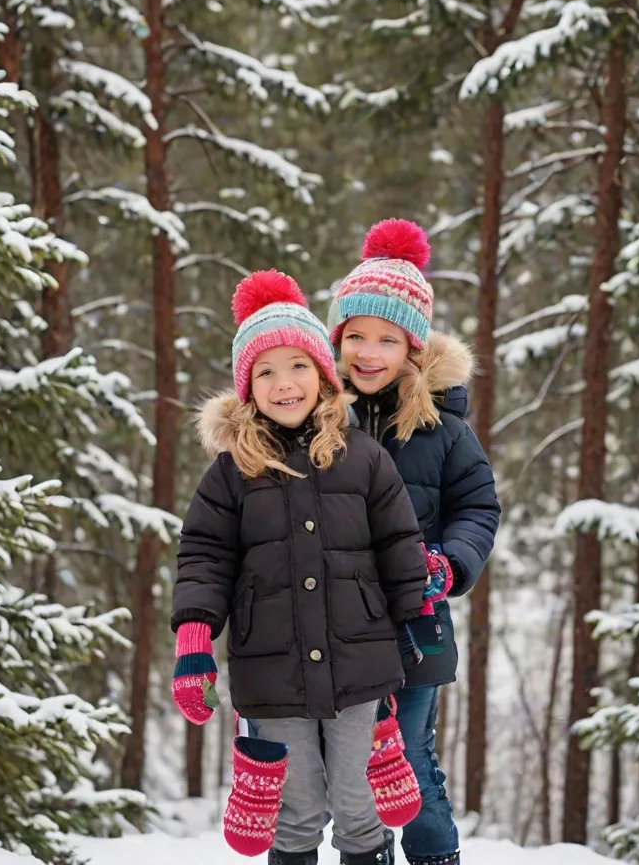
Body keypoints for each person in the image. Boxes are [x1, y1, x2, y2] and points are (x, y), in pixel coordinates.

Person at [170, 269, 428, 865]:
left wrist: (415, 618)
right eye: (266, 371)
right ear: (247, 386)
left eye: (298, 367)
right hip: (272, 672)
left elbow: (399, 542)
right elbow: (204, 557)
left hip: (360, 665)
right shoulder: (231, 472)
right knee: (296, 810)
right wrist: (194, 642)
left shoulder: (363, 458)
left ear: (323, 374)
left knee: (360, 805)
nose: (284, 384)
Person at [327, 220, 502, 865]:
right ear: (336, 341)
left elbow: (478, 507)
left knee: (408, 751)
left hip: (414, 619)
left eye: (387, 339)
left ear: (414, 349)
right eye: (356, 337)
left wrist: (450, 563)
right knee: (348, 766)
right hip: (334, 625)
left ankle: (434, 856)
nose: (368, 353)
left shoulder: (445, 433)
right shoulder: (314, 421)